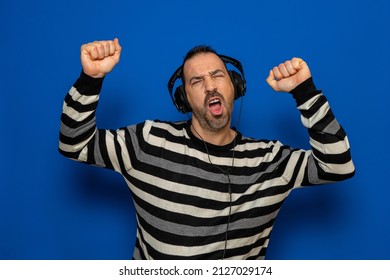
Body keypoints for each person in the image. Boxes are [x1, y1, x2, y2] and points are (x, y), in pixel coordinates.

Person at [59, 38, 355, 260]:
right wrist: (92, 78)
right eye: (197, 81)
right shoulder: (149, 142)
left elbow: (338, 165)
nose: (210, 86)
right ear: (184, 100)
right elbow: (74, 142)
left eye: (217, 75)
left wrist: (304, 91)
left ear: (235, 85)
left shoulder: (269, 161)